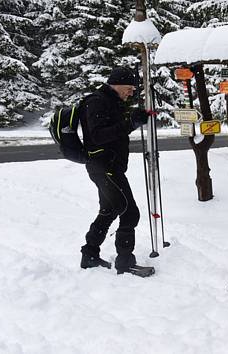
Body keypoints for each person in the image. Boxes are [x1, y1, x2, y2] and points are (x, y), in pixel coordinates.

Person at [79, 67, 155, 277]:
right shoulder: (97, 101)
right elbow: (98, 136)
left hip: (110, 167)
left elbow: (115, 128)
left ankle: (90, 255)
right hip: (104, 168)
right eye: (129, 88)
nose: (131, 92)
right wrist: (130, 123)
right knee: (129, 212)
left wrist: (131, 119)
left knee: (110, 210)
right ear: (117, 83)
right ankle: (125, 263)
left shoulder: (111, 102)